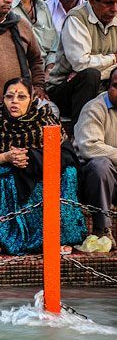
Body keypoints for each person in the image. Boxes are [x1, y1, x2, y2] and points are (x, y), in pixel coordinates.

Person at [0, 78, 86, 254]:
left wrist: (30, 157)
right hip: (5, 166)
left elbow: (67, 155)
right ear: (3, 99)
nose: (14, 101)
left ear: (32, 99)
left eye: (21, 97)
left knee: (68, 173)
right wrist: (7, 157)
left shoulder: (45, 119)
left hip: (39, 168)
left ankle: (61, 236)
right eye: (9, 96)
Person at [47, 0, 117, 121]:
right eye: (108, 3)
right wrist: (114, 58)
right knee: (90, 75)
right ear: (92, 0)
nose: (114, 9)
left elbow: (82, 68)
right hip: (65, 88)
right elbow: (81, 64)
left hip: (105, 83)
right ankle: (79, 131)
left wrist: (104, 72)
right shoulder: (77, 19)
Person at [74, 68, 117, 247]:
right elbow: (90, 147)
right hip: (94, 181)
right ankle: (102, 229)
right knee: (101, 165)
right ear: (107, 87)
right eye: (116, 86)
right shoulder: (94, 108)